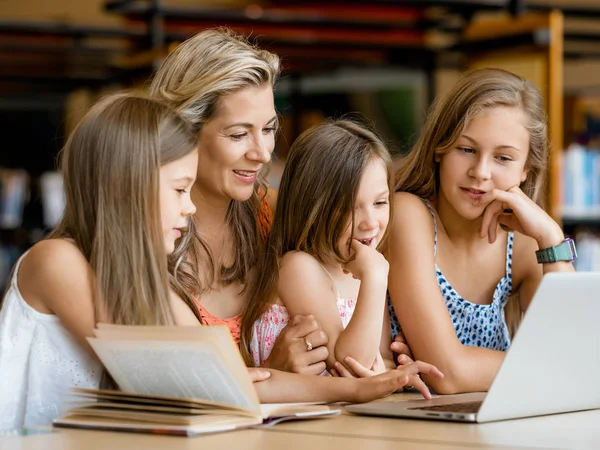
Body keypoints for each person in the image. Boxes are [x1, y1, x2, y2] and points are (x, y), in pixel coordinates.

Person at [150, 28, 441, 400]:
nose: (262, 153)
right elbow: (196, 388)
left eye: (269, 129)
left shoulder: (276, 213)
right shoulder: (154, 236)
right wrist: (276, 370)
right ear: (183, 132)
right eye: (239, 134)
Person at [0, 93, 200, 430]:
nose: (190, 207)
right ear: (128, 187)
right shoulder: (55, 260)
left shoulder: (147, 275)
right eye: (180, 190)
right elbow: (167, 378)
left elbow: (211, 369)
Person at [386, 68, 575, 395]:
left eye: (503, 157)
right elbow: (449, 373)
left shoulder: (525, 245)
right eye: (466, 149)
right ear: (439, 148)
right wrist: (547, 366)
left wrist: (552, 238)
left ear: (526, 168)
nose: (480, 172)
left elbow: (576, 359)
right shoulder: (408, 214)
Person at [243, 119, 395, 375]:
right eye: (350, 207)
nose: (370, 223)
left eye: (380, 203)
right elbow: (347, 363)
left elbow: (382, 358)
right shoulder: (298, 267)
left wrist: (387, 371)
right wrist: (376, 278)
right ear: (312, 207)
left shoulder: (365, 268)